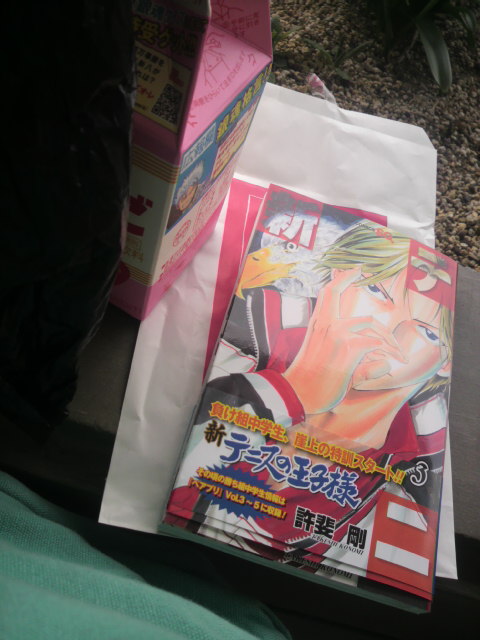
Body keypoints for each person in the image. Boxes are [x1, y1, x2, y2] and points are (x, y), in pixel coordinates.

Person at [167, 219, 456, 589]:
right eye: (376, 291)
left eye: (426, 331)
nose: (386, 331)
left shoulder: (402, 522)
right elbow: (165, 474)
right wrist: (295, 391)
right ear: (334, 279)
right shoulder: (231, 347)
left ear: (444, 362)